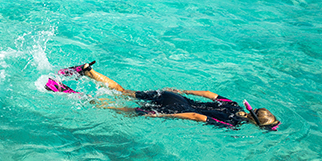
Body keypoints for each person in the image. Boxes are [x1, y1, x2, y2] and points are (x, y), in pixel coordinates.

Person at [45, 61, 280, 130]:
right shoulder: (232, 123)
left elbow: (209, 94)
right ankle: (66, 91)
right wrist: (162, 116)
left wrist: (182, 91)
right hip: (173, 109)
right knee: (117, 110)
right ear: (255, 124)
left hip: (173, 97)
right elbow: (198, 117)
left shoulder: (234, 105)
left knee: (123, 92)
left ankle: (87, 72)